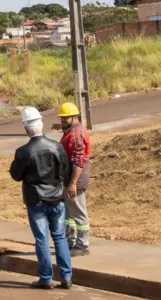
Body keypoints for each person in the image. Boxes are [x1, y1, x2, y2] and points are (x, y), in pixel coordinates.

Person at [9, 107, 73, 290]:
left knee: (42, 239)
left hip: (35, 200)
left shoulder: (23, 152)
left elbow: (15, 175)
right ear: (42, 123)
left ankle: (46, 278)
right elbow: (65, 170)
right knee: (60, 237)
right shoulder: (56, 146)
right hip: (56, 198)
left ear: (26, 128)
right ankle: (66, 277)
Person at [58, 102, 91, 256]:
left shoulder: (77, 133)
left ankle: (82, 245)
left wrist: (73, 183)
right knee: (69, 214)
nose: (63, 121)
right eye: (61, 118)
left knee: (78, 212)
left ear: (74, 117)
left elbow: (79, 160)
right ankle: (70, 241)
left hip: (74, 180)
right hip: (68, 179)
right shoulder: (70, 131)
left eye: (65, 118)